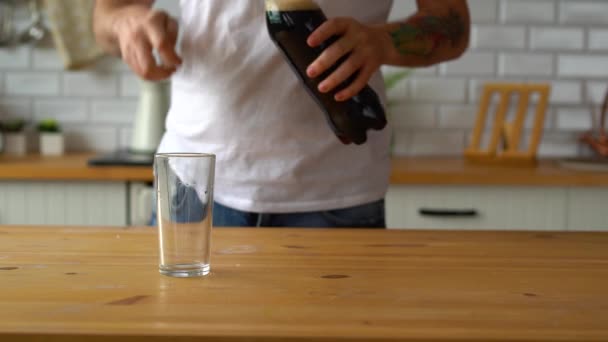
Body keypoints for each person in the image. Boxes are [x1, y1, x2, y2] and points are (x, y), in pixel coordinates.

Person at [94, 0, 470, 228]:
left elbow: (452, 22)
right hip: (195, 188)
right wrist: (125, 22)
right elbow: (106, 15)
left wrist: (383, 41)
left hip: (336, 193)